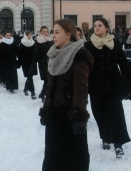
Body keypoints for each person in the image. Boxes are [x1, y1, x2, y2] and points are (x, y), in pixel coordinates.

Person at [84, 17, 131, 158]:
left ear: (106, 28)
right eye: (95, 26)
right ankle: (105, 138)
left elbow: (124, 65)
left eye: (100, 25)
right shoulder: (88, 46)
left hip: (113, 86)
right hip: (95, 86)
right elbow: (83, 68)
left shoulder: (115, 44)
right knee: (100, 114)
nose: (96, 28)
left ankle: (118, 143)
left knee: (116, 115)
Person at [39, 19, 93, 171]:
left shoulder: (80, 55)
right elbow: (51, 86)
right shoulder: (54, 54)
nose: (53, 36)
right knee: (53, 155)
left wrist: (79, 115)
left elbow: (81, 88)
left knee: (75, 156)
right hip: (54, 113)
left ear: (68, 34)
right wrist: (45, 109)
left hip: (71, 114)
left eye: (57, 32)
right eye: (52, 32)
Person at [29, 26, 53, 102]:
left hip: (51, 63)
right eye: (44, 32)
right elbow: (35, 55)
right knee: (47, 80)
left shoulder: (51, 40)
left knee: (49, 80)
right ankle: (44, 95)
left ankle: (43, 94)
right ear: (40, 32)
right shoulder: (38, 42)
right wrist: (32, 66)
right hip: (43, 64)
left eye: (47, 31)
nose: (46, 33)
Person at [18, 30, 37, 99]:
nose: (29, 36)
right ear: (25, 36)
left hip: (32, 62)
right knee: (29, 76)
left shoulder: (33, 43)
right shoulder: (22, 43)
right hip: (25, 63)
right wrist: (19, 63)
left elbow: (35, 53)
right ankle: (32, 92)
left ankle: (26, 89)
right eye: (28, 35)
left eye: (30, 35)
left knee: (30, 77)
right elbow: (20, 54)